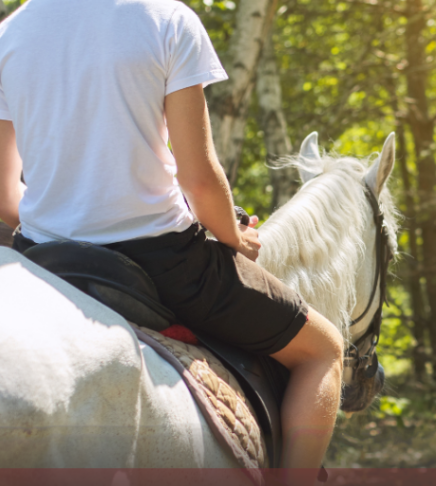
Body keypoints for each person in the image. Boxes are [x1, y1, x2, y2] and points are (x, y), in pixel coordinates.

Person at [0, 0, 342, 481]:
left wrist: (60, 220)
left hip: (46, 261)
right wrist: (234, 239)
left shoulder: (9, 34)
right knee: (323, 350)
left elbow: (3, 195)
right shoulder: (165, 19)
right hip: (163, 258)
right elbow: (199, 180)